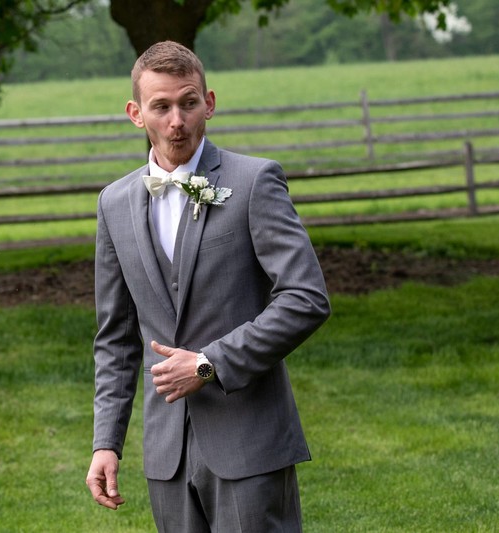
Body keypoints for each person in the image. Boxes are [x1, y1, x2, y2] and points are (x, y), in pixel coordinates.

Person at [85, 41, 331, 532]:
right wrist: (105, 442)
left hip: (251, 442)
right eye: (161, 106)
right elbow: (115, 338)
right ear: (137, 114)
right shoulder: (113, 204)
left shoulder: (255, 181)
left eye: (188, 102)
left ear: (209, 103)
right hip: (166, 455)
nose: (177, 120)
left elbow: (306, 298)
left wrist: (209, 362)